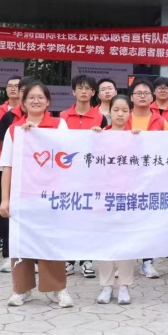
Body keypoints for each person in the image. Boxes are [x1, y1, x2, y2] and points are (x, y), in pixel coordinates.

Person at [0, 83, 74, 308]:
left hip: (52, 196)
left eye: (41, 97)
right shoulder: (15, 130)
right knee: (21, 242)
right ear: (23, 103)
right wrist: (5, 199)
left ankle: (58, 288)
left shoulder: (59, 125)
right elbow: (7, 166)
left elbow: (68, 154)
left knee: (52, 242)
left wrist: (38, 135)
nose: (36, 101)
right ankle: (21, 289)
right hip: (23, 196)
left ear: (48, 101)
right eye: (31, 97)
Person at [92, 94, 140, 305]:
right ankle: (106, 285)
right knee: (105, 241)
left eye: (124, 110)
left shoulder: (136, 137)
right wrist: (93, 138)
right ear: (109, 112)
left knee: (125, 242)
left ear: (130, 112)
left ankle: (124, 286)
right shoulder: (100, 135)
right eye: (116, 110)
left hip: (128, 197)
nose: (120, 114)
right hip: (104, 196)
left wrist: (140, 140)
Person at [62, 74, 108, 278]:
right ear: (73, 91)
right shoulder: (62, 117)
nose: (83, 91)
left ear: (93, 92)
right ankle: (69, 259)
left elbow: (108, 145)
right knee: (70, 217)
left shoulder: (101, 118)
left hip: (92, 176)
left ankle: (87, 259)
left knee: (90, 218)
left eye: (87, 88)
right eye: (79, 88)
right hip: (68, 175)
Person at [0, 76, 39, 270]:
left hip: (38, 179)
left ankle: (36, 258)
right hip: (11, 172)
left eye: (37, 95)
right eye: (26, 93)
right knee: (8, 213)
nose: (33, 100)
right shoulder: (10, 118)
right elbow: (1, 144)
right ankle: (9, 254)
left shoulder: (54, 121)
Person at [127, 79, 168, 279]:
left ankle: (147, 262)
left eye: (146, 93)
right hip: (127, 179)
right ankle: (124, 262)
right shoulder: (123, 117)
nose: (142, 96)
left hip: (152, 180)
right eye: (138, 93)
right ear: (131, 97)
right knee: (127, 221)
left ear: (153, 97)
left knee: (148, 221)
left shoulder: (162, 122)